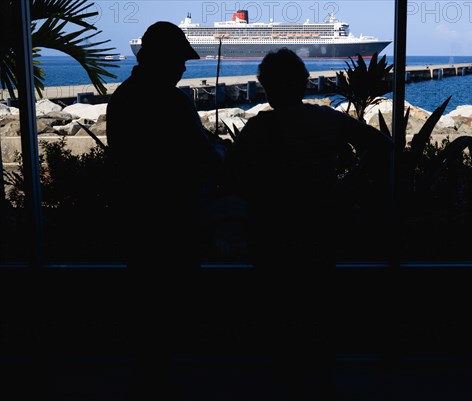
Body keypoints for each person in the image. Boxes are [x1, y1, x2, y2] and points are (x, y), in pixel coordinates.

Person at [225, 48, 392, 401]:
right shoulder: (328, 120)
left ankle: (286, 377)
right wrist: (349, 184)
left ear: (266, 87)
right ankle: (321, 376)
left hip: (271, 228)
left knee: (278, 304)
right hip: (320, 223)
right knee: (319, 301)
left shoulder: (257, 128)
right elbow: (381, 145)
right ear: (304, 84)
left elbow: (232, 176)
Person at [105, 21, 225, 400]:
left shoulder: (122, 97)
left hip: (135, 216)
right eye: (179, 60)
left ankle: (149, 377)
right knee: (171, 301)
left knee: (145, 299)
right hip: (173, 218)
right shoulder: (172, 100)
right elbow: (203, 154)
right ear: (162, 59)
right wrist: (221, 150)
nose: (184, 68)